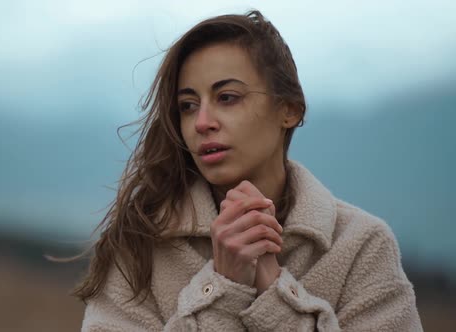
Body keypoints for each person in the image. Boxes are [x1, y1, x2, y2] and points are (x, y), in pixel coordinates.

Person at [74, 10, 423, 331]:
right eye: (188, 106)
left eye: (227, 97)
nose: (202, 122)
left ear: (289, 109)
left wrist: (275, 291)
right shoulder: (139, 244)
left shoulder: (361, 245)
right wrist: (221, 289)